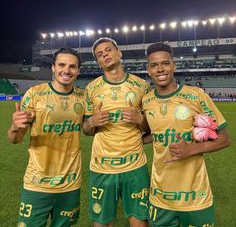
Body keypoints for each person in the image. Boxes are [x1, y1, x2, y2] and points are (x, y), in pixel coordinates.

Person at [142, 42, 230, 227]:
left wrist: (193, 149)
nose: (160, 69)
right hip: (160, 196)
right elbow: (155, 133)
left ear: (174, 66)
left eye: (165, 63)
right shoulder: (146, 100)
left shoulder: (196, 95)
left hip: (196, 196)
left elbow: (224, 138)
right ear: (148, 70)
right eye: (154, 65)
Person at [7, 48, 84, 227]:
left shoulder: (83, 97)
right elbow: (15, 139)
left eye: (72, 66)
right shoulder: (34, 94)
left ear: (78, 71)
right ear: (53, 67)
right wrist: (14, 127)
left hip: (70, 184)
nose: (66, 70)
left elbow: (88, 128)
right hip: (37, 183)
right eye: (62, 65)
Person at [83, 37, 150, 227]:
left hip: (135, 166)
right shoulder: (91, 89)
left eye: (108, 50)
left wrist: (140, 120)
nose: (105, 55)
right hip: (102, 166)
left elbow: (149, 128)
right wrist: (92, 122)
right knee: (102, 222)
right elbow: (86, 130)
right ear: (98, 61)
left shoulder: (141, 86)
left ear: (119, 52)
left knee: (140, 221)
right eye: (100, 54)